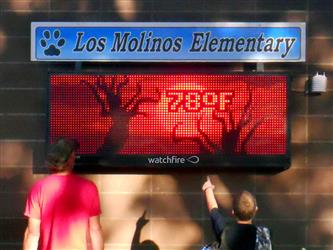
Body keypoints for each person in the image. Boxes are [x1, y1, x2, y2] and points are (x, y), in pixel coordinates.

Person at [23, 138, 104, 250]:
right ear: (70, 159)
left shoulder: (38, 188)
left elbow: (32, 235)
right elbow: (95, 230)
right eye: (73, 154)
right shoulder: (89, 188)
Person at [202, 176, 271, 250]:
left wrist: (208, 188)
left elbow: (213, 208)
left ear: (233, 212)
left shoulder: (224, 232)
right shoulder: (264, 234)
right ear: (256, 210)